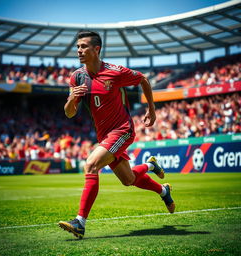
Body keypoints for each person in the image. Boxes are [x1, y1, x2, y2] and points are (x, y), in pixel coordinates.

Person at [58, 31, 175, 239]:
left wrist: (152, 109)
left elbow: (143, 79)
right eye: (77, 47)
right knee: (128, 179)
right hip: (104, 136)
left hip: (122, 130)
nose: (79, 50)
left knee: (91, 164)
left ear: (96, 49)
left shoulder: (114, 72)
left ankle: (80, 222)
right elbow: (69, 113)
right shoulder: (76, 77)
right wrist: (71, 99)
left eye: (84, 46)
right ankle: (159, 182)